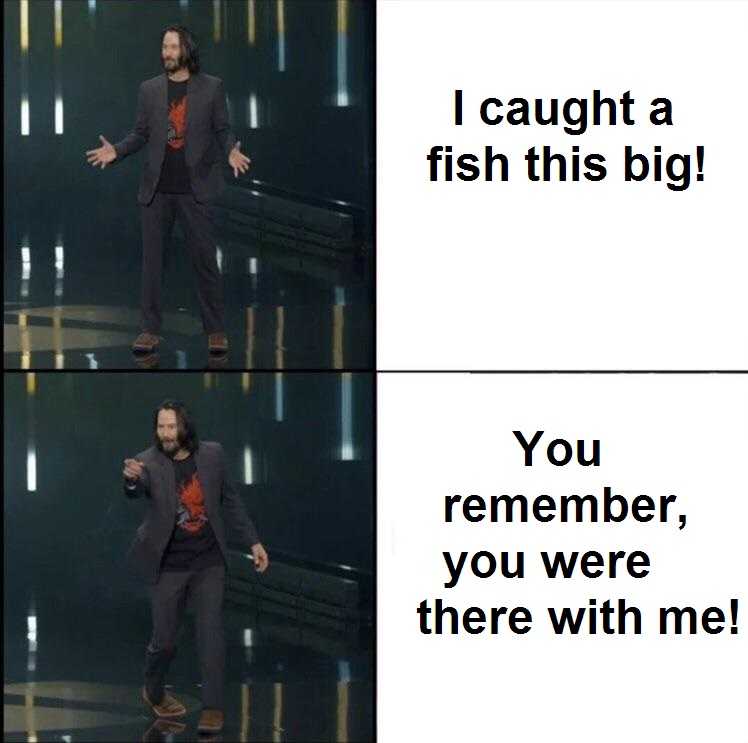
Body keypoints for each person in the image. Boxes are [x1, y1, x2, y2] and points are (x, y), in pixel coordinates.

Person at [86, 25, 252, 356]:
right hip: (157, 190)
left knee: (205, 261)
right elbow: (141, 133)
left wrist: (231, 150)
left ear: (186, 50)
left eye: (172, 47)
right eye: (164, 47)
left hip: (196, 189)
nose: (166, 53)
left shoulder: (211, 88)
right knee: (152, 264)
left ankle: (215, 330)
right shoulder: (149, 90)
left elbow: (222, 129)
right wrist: (117, 151)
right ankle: (149, 331)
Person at [123, 400, 269, 735]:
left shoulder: (213, 455)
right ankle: (154, 690)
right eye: (161, 427)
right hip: (168, 564)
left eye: (171, 427)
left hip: (208, 561)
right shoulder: (146, 461)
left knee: (211, 635)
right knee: (164, 641)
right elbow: (135, 490)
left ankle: (213, 708)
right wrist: (131, 480)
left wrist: (253, 542)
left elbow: (230, 500)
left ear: (184, 427)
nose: (166, 433)